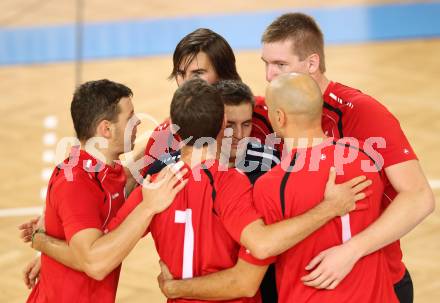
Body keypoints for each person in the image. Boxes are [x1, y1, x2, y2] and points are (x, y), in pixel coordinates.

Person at [25, 78, 370, 303]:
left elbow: (104, 239)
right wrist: (329, 207)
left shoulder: (154, 185)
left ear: (175, 129)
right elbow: (256, 257)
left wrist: (47, 239)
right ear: (221, 125)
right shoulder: (236, 183)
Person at [157, 73, 400, 303]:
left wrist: (173, 288)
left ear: (279, 117)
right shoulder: (365, 157)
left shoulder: (272, 186)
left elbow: (246, 277)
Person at [256, 13, 434, 302]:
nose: (269, 75)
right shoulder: (276, 111)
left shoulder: (362, 113)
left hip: (376, 282)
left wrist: (351, 251)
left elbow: (419, 197)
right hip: (307, 285)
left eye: (280, 64)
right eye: (266, 64)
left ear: (312, 63)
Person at [22, 79, 187, 303]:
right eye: (130, 118)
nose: (137, 121)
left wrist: (47, 243)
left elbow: (133, 173)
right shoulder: (75, 183)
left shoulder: (109, 172)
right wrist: (148, 207)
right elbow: (95, 264)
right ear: (106, 129)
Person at [141, 28, 274, 174]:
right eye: (180, 73)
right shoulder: (166, 134)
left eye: (197, 74)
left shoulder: (266, 115)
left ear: (224, 75)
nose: (186, 83)